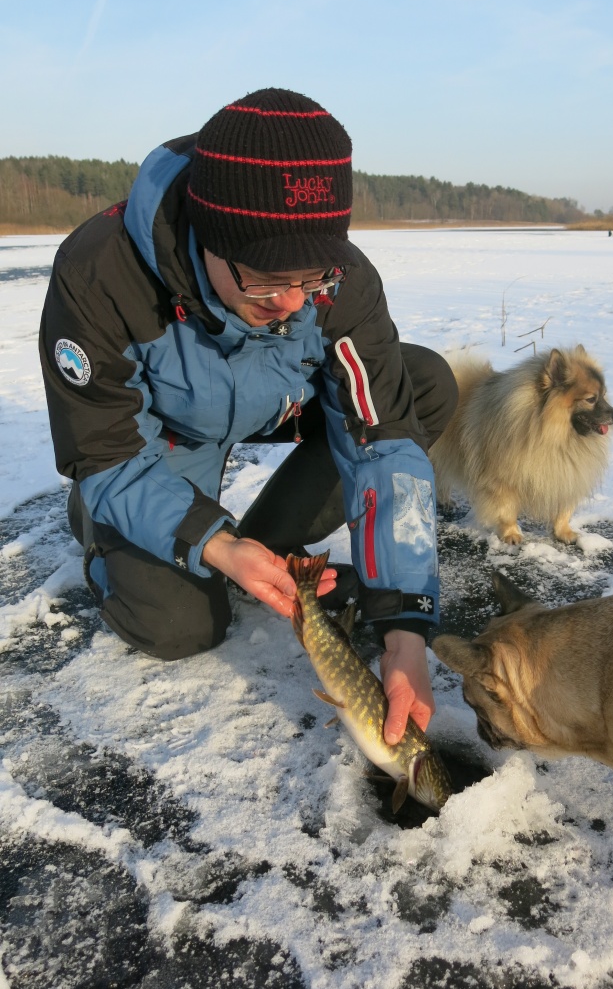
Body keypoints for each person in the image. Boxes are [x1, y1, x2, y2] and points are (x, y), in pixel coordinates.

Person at [39, 87, 457, 746]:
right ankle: (103, 530)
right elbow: (106, 451)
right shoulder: (99, 275)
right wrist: (215, 542)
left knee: (421, 382)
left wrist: (404, 627)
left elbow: (382, 444)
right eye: (265, 279)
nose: (293, 303)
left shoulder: (338, 281)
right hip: (165, 436)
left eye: (313, 276)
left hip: (281, 401)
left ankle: (269, 545)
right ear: (211, 239)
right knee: (177, 628)